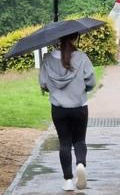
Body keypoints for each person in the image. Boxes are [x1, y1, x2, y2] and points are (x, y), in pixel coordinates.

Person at [39, 32, 96, 191]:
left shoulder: (47, 59)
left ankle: (68, 180)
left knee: (64, 142)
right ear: (75, 38)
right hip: (79, 106)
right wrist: (84, 88)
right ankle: (80, 164)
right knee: (79, 140)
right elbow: (91, 81)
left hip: (58, 108)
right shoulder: (82, 57)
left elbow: (43, 83)